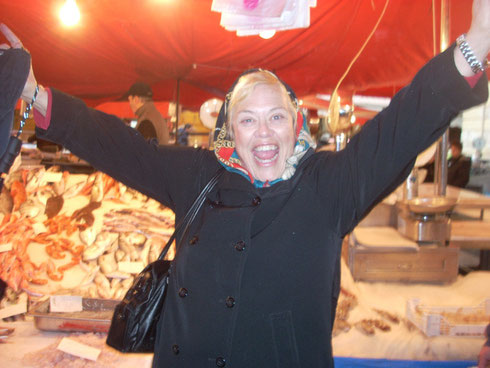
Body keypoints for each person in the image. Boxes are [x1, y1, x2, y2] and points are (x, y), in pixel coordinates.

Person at [0, 0, 489, 365]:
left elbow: (402, 125)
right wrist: (37, 95)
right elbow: (120, 148)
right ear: (230, 131)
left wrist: (475, 44)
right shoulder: (198, 176)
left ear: (296, 125)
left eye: (276, 117)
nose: (264, 134)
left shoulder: (329, 186)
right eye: (248, 120)